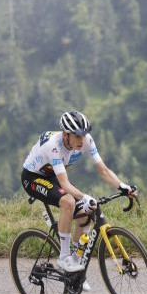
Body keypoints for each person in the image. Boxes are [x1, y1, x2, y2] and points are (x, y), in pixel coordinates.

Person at [21, 110, 137, 280]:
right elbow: (65, 184)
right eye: (77, 136)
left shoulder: (86, 141)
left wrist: (122, 186)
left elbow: (103, 170)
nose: (82, 140)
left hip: (53, 176)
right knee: (68, 202)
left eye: (84, 135)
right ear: (66, 135)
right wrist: (84, 197)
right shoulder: (54, 145)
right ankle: (64, 258)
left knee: (86, 213)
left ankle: (74, 267)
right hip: (33, 177)